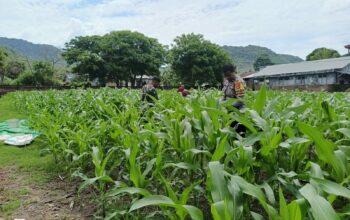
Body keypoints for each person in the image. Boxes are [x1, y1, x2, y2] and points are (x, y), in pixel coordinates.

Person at [222, 64, 246, 134]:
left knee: (239, 129)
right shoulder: (226, 81)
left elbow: (240, 100)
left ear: (234, 72)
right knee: (230, 129)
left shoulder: (238, 82)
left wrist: (227, 105)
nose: (227, 77)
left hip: (237, 110)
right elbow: (224, 94)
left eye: (229, 75)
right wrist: (220, 102)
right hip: (229, 108)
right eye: (226, 75)